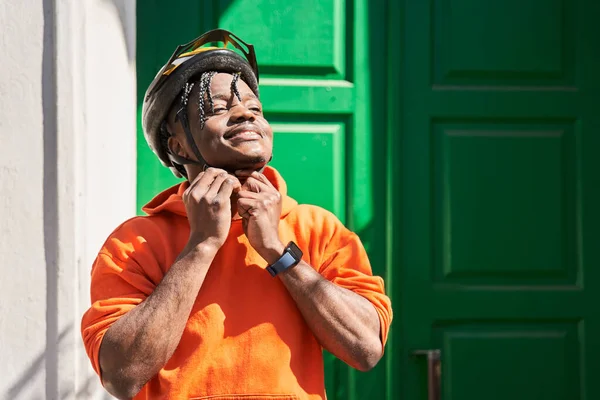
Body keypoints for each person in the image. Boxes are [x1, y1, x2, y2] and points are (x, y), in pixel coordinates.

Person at [81, 29, 392, 400]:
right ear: (177, 145)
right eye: (217, 108)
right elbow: (121, 376)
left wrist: (278, 251)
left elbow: (366, 348)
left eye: (254, 108)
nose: (244, 112)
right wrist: (201, 245)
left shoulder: (318, 228)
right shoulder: (135, 242)